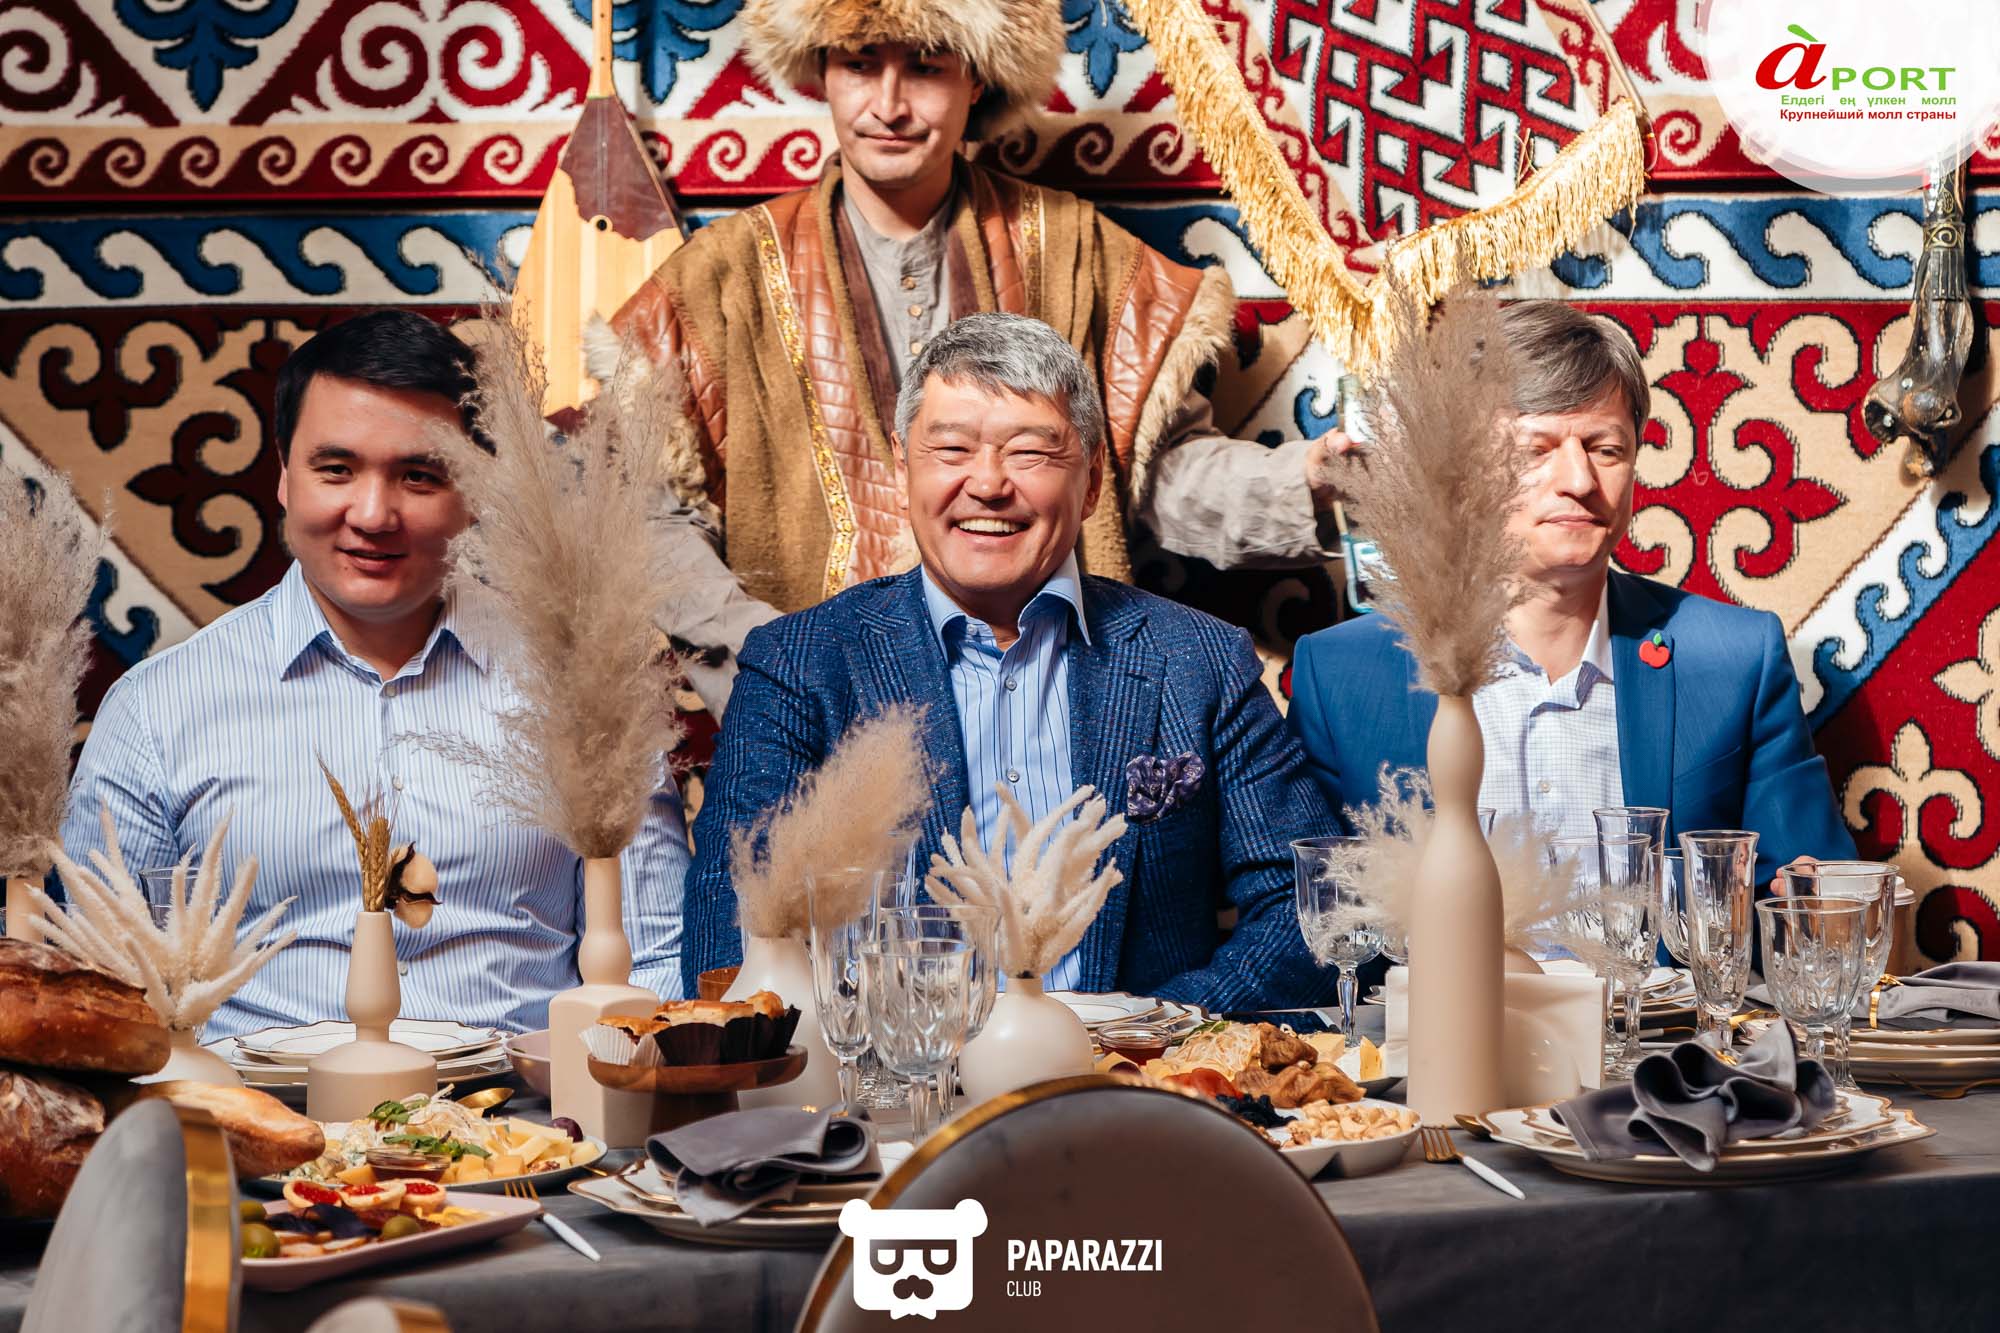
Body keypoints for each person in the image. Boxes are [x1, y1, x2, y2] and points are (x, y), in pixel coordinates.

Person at [611, 0, 1353, 716]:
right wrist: (773, 658)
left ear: (977, 78)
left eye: (927, 67)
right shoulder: (721, 278)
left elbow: (1163, 474)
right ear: (821, 71)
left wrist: (1313, 479)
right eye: (860, 64)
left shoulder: (1075, 251)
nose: (889, 106)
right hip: (814, 733)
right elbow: (646, 516)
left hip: (1051, 702)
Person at [61, 311, 693, 1040]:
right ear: (284, 475)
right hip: (256, 1107)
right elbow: (107, 993)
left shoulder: (585, 687)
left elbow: (655, 963)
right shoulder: (155, 710)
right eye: (336, 470)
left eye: (419, 476)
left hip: (530, 1105)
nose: (372, 514)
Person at [679, 314, 1338, 1011]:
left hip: (1133, 1071)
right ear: (903, 470)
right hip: (895, 1072)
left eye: (1029, 452)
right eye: (952, 449)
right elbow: (732, 936)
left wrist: (1144, 1033)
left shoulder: (1198, 660)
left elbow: (1310, 909)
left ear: (1091, 482)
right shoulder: (800, 666)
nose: (989, 483)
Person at [1287, 300, 1854, 886]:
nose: (1580, 481)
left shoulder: (1735, 660)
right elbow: (1305, 908)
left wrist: (1811, 894)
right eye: (1535, 450)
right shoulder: (1342, 677)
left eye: (1606, 449)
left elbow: (1812, 885)